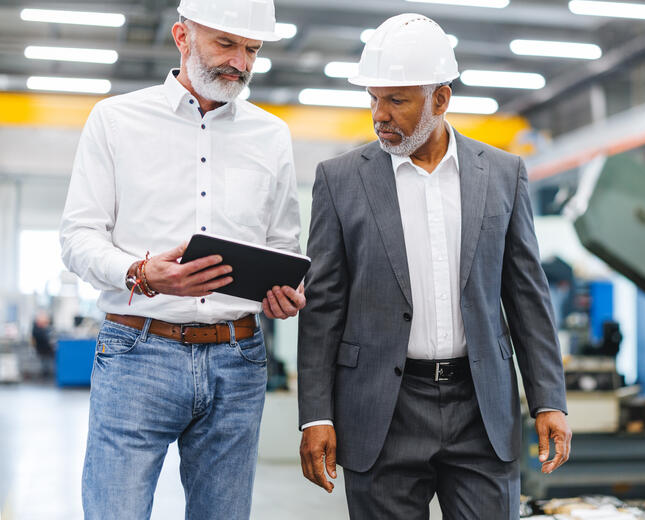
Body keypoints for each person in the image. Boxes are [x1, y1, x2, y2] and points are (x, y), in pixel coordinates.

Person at [297, 13, 571, 519]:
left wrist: (548, 399)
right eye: (373, 98)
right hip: (382, 409)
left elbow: (527, 295)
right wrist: (315, 414)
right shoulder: (339, 181)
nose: (380, 114)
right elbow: (323, 307)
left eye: (396, 100)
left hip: (481, 409)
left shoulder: (503, 174)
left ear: (440, 99)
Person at [59, 0, 305, 518]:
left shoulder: (271, 135)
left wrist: (285, 292)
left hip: (238, 360)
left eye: (252, 49)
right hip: (137, 352)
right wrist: (141, 273)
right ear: (181, 37)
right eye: (225, 43)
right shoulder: (116, 119)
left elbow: (284, 245)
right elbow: (79, 237)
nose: (240, 62)